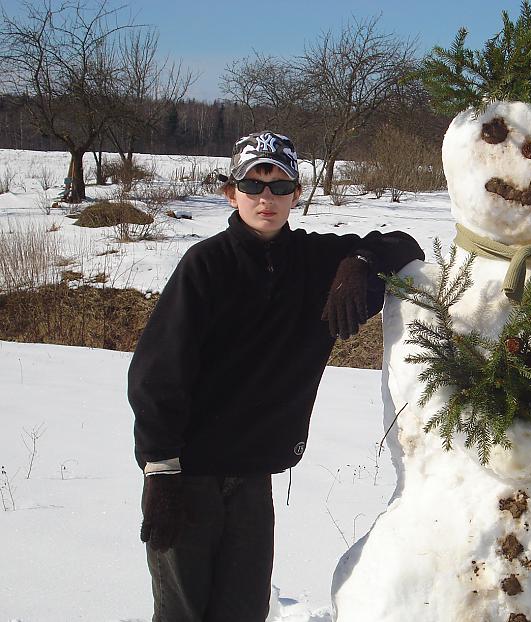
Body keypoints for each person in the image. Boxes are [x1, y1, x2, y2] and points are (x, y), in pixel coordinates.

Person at [128, 130, 424, 622]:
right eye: (253, 184)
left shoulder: (315, 261)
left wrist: (361, 262)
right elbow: (158, 374)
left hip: (252, 477)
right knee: (182, 612)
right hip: (188, 474)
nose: (267, 198)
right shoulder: (206, 264)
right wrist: (160, 473)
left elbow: (402, 243)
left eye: (280, 185)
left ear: (297, 193)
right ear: (232, 192)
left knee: (243, 612)